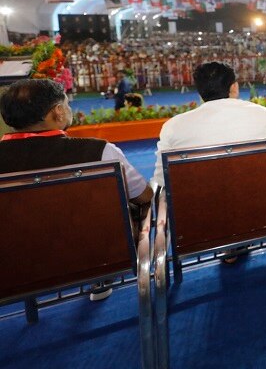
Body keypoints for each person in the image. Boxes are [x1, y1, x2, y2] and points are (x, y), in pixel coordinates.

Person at [0, 79, 152, 300]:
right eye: (67, 104)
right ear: (58, 112)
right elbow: (143, 195)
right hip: (99, 255)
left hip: (17, 265)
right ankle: (100, 278)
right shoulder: (99, 151)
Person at [153, 62, 266, 186]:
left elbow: (162, 179)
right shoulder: (265, 116)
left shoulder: (173, 127)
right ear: (234, 87)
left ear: (200, 92)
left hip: (198, 206)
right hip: (260, 204)